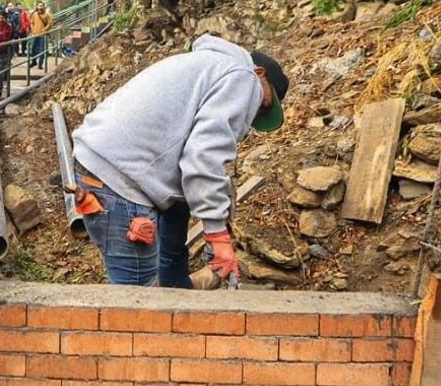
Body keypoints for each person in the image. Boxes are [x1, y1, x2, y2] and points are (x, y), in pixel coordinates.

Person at [71, 34, 289, 288]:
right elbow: (204, 157)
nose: (256, 112)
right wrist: (217, 234)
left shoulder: (207, 67)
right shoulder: (245, 78)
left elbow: (189, 155)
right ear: (259, 72)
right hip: (120, 181)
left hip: (101, 165)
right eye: (264, 103)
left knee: (135, 297)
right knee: (137, 306)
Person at [28, 0, 52, 69]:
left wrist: (45, 29)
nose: (40, 7)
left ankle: (40, 64)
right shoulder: (34, 14)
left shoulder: (47, 15)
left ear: (44, 6)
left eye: (41, 6)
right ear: (37, 6)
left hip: (43, 35)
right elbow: (31, 22)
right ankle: (33, 61)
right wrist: (33, 30)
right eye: (39, 5)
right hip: (35, 34)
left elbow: (50, 24)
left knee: (42, 50)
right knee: (33, 48)